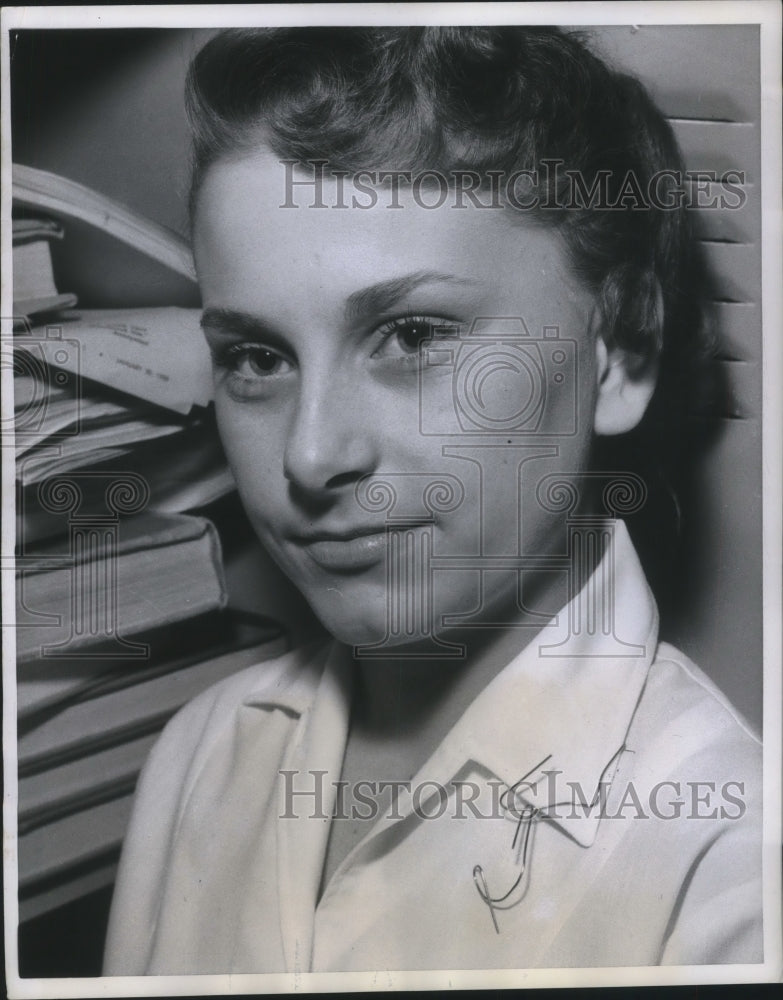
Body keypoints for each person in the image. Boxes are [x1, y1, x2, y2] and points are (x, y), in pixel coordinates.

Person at [103, 26, 762, 974]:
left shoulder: (725, 863)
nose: (312, 452)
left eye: (411, 337)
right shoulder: (200, 753)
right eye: (257, 358)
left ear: (619, 353)